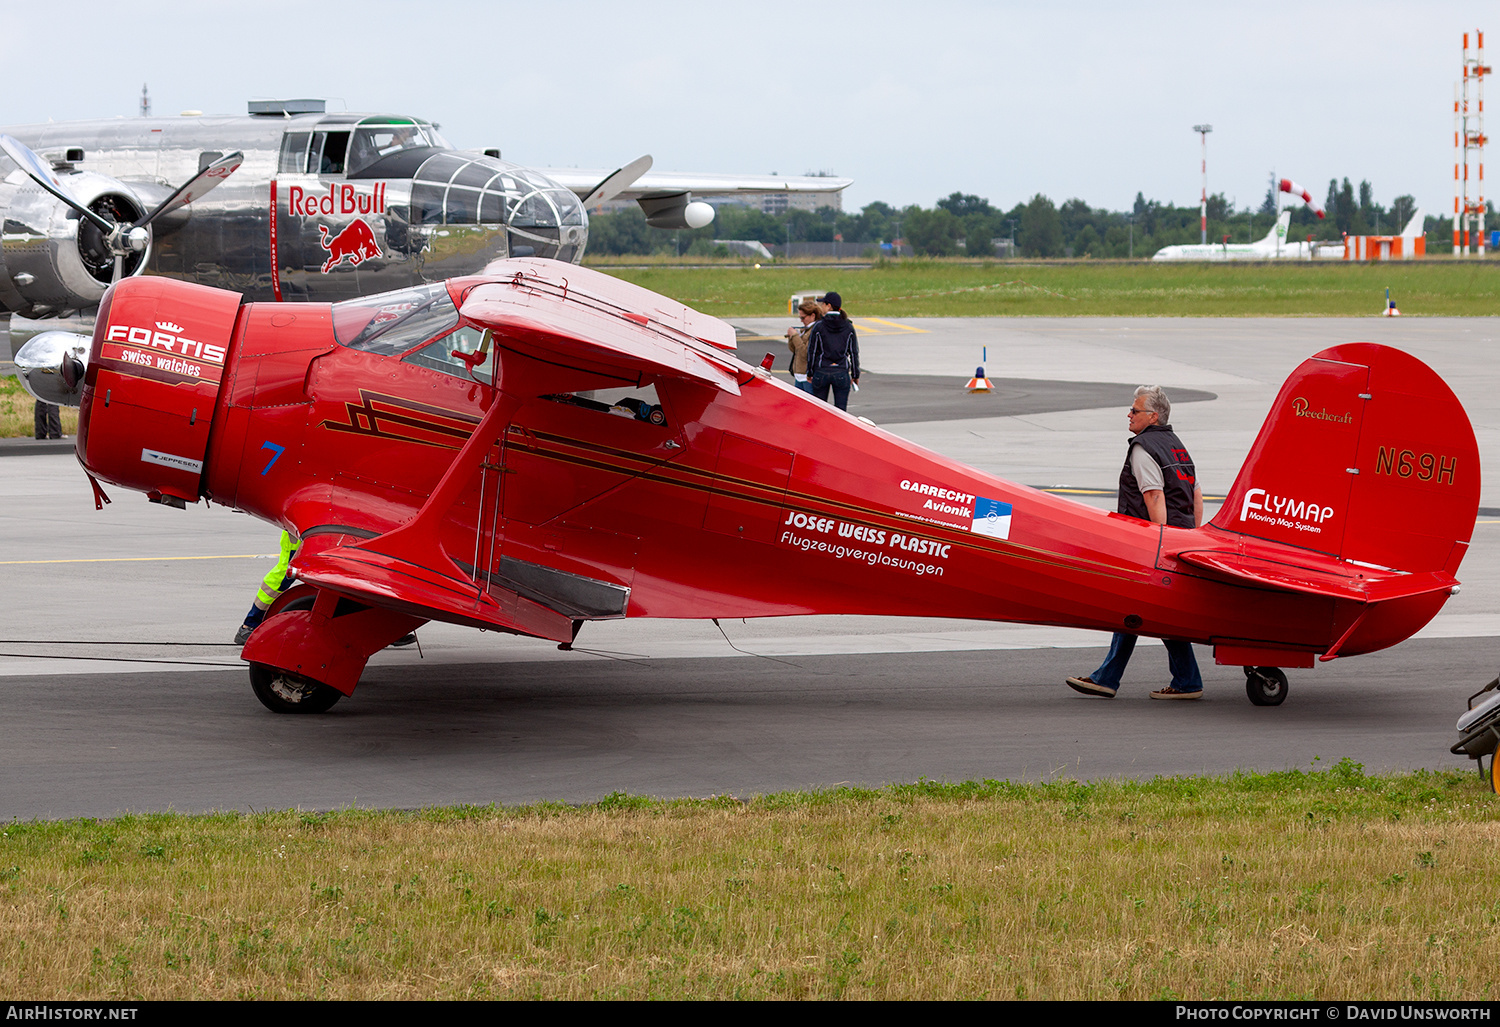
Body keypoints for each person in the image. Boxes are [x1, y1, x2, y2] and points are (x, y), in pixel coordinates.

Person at [1066, 385, 1205, 700]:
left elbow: (1153, 496)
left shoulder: (1143, 448)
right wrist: (1192, 534)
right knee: (1148, 612)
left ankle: (1114, 679)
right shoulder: (1177, 446)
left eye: (1134, 410)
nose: (1128, 414)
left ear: (1152, 416)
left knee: (1134, 609)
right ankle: (1182, 680)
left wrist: (1157, 547)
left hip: (1153, 543)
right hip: (1182, 538)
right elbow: (1196, 495)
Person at [805, 291, 859, 410]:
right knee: (841, 410)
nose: (821, 307)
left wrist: (810, 372)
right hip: (840, 370)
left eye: (823, 304)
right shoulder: (848, 326)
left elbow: (812, 351)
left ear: (829, 306)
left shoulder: (819, 326)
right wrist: (855, 374)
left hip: (822, 370)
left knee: (819, 409)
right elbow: (854, 352)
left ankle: (820, 428)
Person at [785, 300, 817, 392]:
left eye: (803, 318)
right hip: (799, 375)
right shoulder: (805, 330)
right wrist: (791, 337)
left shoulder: (814, 331)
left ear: (812, 316)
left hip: (808, 376)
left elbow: (805, 353)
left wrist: (795, 336)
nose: (801, 321)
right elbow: (794, 350)